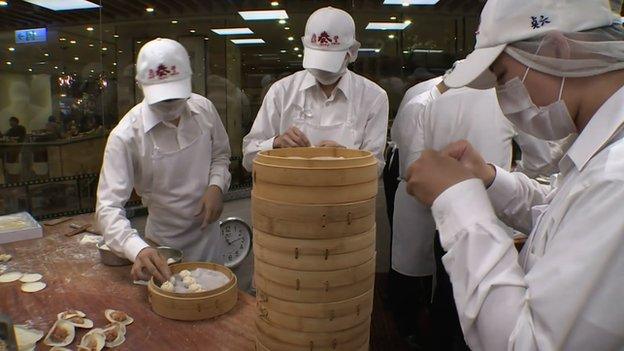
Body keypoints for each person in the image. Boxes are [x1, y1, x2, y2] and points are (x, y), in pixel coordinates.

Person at [406, 0, 624, 349]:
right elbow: (560, 215)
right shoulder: (602, 150)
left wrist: (460, 203)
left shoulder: (616, 179)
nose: (503, 98)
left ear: (557, 50)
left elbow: (529, 343)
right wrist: (487, 178)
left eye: (503, 77)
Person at [96, 38, 231, 283]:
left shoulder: (205, 110)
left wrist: (216, 186)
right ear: (141, 86)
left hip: (210, 240)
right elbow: (108, 208)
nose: (170, 106)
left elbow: (221, 155)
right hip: (163, 251)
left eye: (176, 96)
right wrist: (136, 248)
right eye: (162, 99)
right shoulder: (126, 136)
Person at [242, 6, 389, 173]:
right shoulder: (282, 91)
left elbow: (376, 167)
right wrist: (276, 143)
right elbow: (249, 157)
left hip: (346, 194)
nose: (323, 71)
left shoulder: (373, 97)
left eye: (330, 63)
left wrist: (346, 157)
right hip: (289, 192)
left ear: (351, 52)